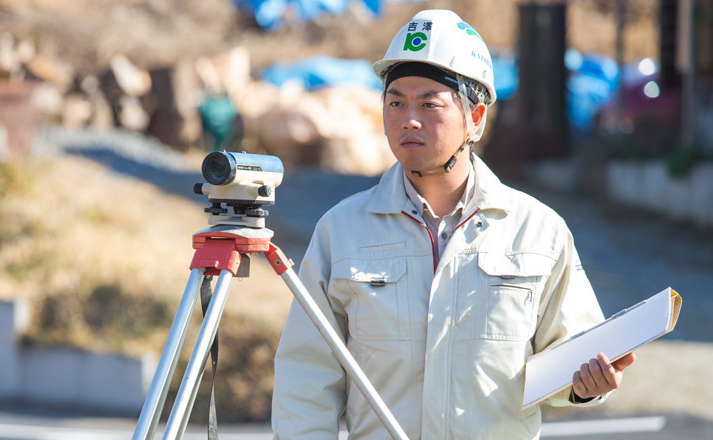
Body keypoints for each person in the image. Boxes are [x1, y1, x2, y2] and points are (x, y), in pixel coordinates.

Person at [270, 9, 636, 440]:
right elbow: (306, 382)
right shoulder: (341, 232)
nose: (408, 118)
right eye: (396, 102)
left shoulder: (539, 232)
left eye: (429, 104)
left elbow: (572, 359)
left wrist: (586, 386)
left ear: (475, 118)